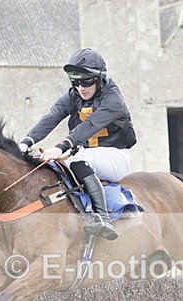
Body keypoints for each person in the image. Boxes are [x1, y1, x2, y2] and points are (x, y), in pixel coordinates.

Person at [19, 48, 137, 241]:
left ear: (99, 79)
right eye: (75, 81)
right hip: (87, 154)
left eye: (87, 81)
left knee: (77, 160)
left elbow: (89, 125)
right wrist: (25, 143)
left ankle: (102, 219)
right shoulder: (73, 95)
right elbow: (52, 117)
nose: (81, 87)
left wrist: (61, 147)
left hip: (115, 156)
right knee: (53, 168)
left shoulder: (113, 99)